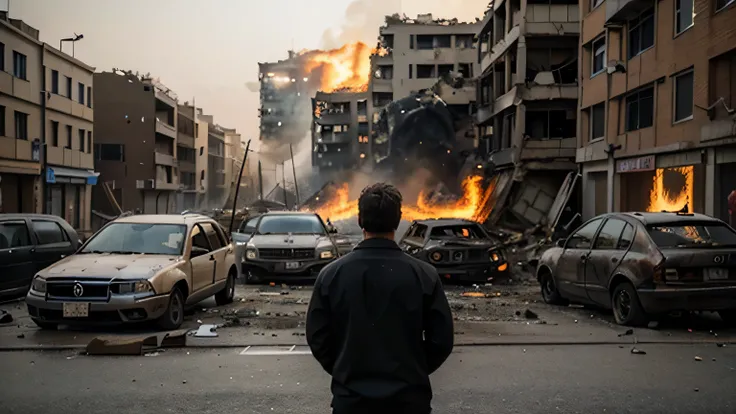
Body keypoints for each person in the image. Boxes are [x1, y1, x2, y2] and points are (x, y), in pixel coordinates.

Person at [306, 183, 454, 414]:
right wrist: (413, 370)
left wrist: (345, 371)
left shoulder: (331, 275)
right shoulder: (424, 275)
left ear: (360, 220)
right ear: (398, 220)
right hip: (409, 401)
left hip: (351, 401)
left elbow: (318, 337)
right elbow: (441, 340)